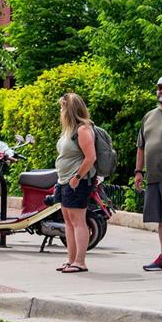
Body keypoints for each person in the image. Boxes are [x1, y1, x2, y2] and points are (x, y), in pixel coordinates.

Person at [134, 74, 162, 272]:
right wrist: (138, 171)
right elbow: (141, 147)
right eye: (159, 88)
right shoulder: (149, 116)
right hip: (155, 177)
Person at [54, 92, 99, 274]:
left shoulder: (83, 129)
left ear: (69, 109)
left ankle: (80, 262)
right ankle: (70, 259)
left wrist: (77, 178)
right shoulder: (69, 130)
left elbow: (91, 158)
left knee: (78, 221)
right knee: (68, 220)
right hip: (64, 180)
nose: (60, 110)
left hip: (77, 181)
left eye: (62, 107)